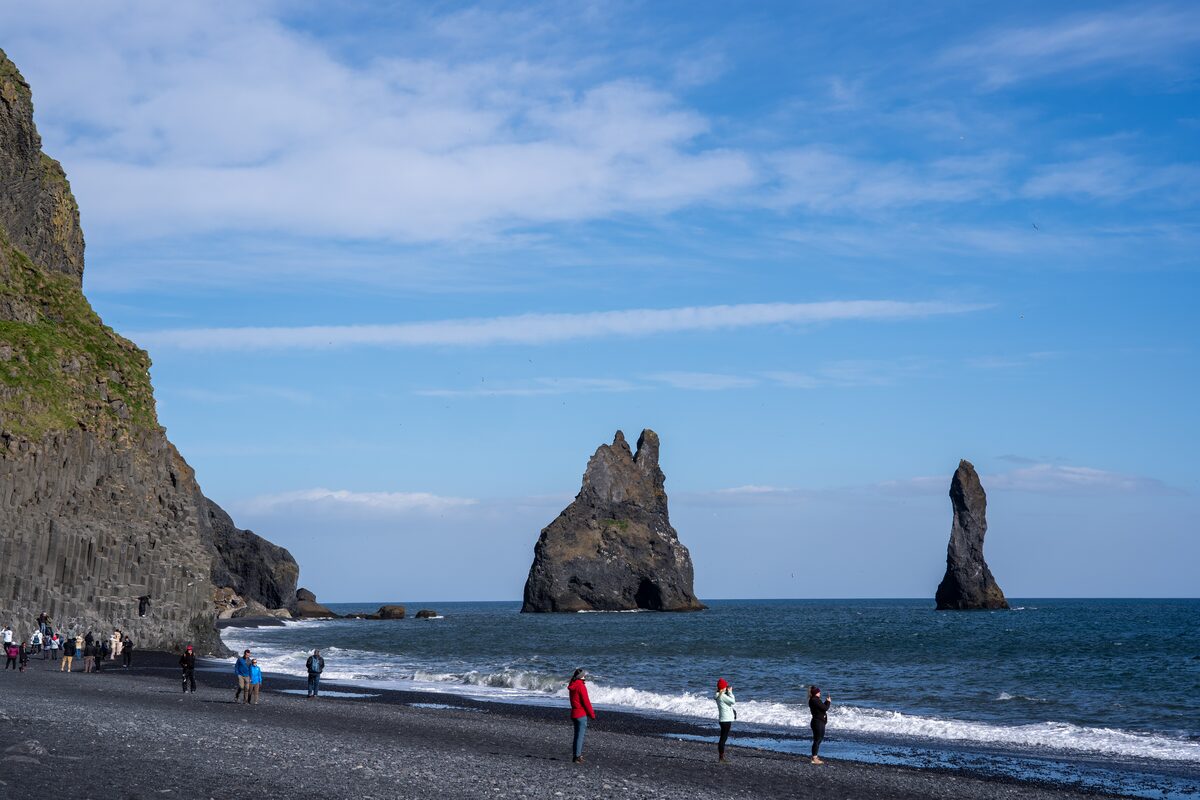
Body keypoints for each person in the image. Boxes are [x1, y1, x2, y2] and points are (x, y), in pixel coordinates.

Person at [568, 668, 596, 764]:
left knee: (577, 736)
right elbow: (586, 702)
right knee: (580, 736)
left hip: (574, 713)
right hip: (581, 714)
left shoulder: (572, 685)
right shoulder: (581, 686)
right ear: (581, 676)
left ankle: (576, 755)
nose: (585, 676)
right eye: (584, 675)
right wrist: (592, 714)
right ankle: (577, 757)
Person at [808, 685, 832, 764]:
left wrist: (826, 701)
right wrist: (828, 702)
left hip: (817, 722)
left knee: (817, 740)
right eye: (819, 692)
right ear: (816, 693)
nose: (820, 693)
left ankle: (815, 756)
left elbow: (822, 708)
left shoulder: (814, 700)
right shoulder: (815, 700)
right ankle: (814, 758)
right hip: (818, 722)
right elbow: (825, 708)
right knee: (817, 740)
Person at [715, 678, 736, 762]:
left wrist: (726, 691)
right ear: (723, 687)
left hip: (722, 719)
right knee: (723, 739)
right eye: (725, 686)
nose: (727, 687)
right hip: (726, 720)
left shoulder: (718, 695)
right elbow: (733, 701)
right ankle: (721, 758)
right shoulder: (722, 696)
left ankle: (721, 757)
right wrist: (730, 692)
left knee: (722, 738)